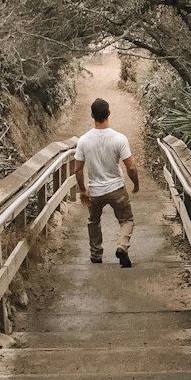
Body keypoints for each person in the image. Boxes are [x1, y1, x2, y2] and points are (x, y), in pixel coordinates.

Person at [73, 97, 139, 267]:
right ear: (108, 113)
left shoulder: (84, 140)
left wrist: (83, 191)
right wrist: (136, 184)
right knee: (127, 220)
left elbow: (78, 169)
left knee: (93, 221)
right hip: (116, 188)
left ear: (92, 115)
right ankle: (122, 245)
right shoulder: (119, 139)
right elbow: (131, 168)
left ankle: (96, 254)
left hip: (95, 190)